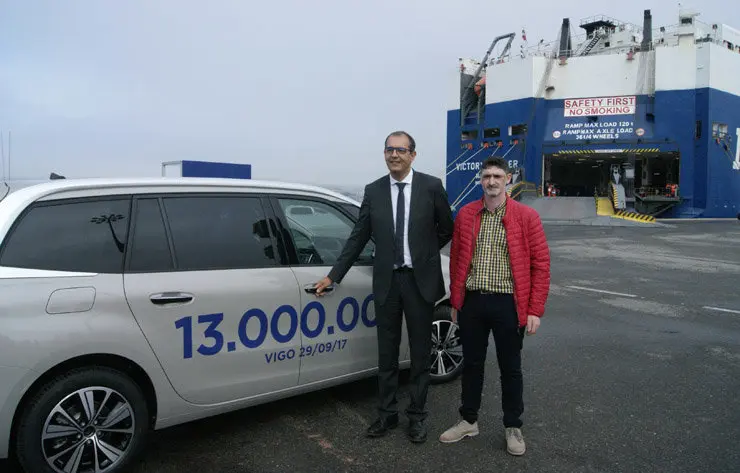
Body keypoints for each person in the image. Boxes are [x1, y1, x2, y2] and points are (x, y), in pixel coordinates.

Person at [313, 131, 454, 443]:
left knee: (420, 354)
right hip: (388, 282)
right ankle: (387, 415)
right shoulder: (374, 190)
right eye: (389, 149)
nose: (394, 155)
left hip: (419, 282)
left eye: (401, 150)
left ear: (413, 155)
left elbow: (447, 228)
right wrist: (334, 275)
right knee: (387, 354)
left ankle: (417, 417)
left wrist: (425, 253)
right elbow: (359, 236)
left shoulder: (431, 186)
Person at [439, 156, 550, 456]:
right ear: (481, 180)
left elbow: (540, 265)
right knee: (472, 365)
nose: (491, 181)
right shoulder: (466, 215)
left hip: (509, 304)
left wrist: (534, 310)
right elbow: (459, 261)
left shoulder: (526, 217)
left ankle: (513, 426)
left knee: (510, 369)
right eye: (486, 175)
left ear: (508, 180)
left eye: (497, 176)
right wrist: (456, 301)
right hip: (473, 302)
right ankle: (468, 420)